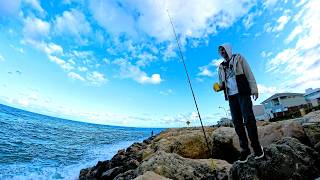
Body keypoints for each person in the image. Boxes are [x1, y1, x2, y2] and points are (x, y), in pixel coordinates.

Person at [215, 43, 264, 163]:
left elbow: (248, 73)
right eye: (220, 51)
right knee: (237, 123)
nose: (222, 52)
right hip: (231, 97)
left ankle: (257, 148)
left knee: (249, 119)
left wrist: (254, 89)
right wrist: (218, 87)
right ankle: (245, 150)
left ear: (228, 49)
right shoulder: (220, 67)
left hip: (243, 93)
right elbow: (222, 83)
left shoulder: (239, 58)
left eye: (224, 50)